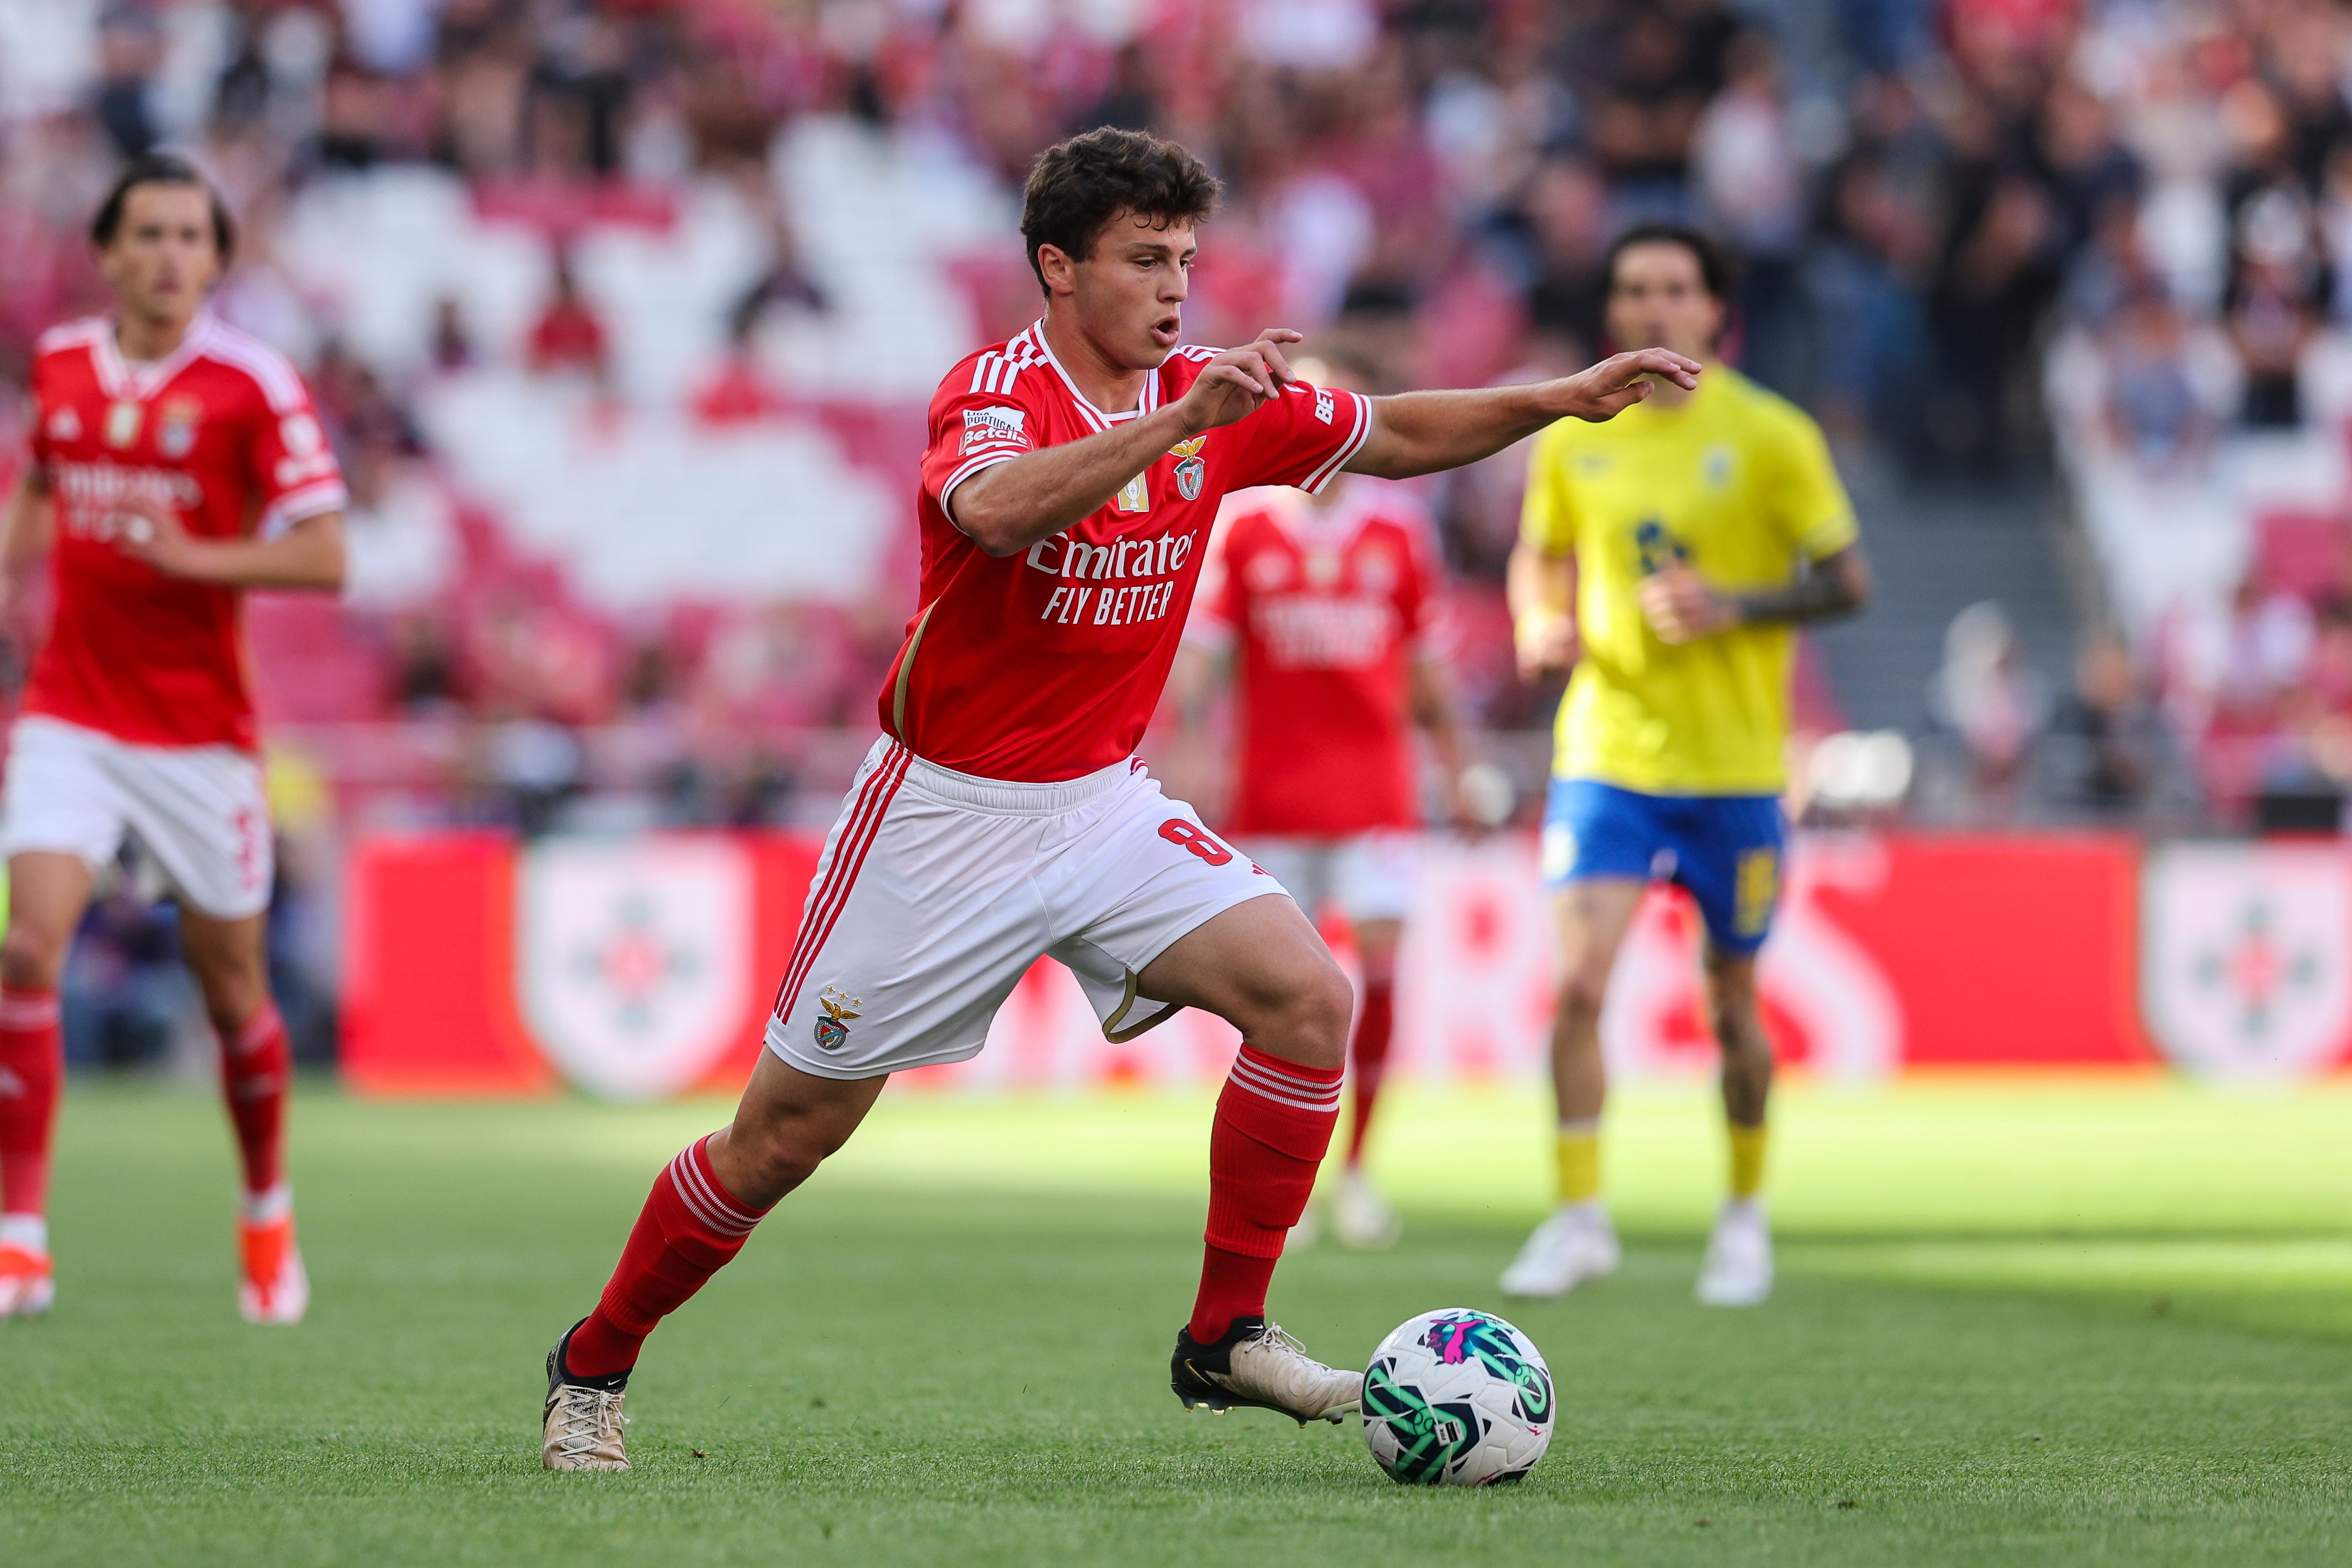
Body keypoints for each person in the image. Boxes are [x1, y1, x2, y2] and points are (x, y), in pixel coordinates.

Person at [537, 127, 1698, 1471]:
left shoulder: (1213, 396)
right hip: (941, 818)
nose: (1172, 289)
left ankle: (1224, 1335)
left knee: (1309, 1000)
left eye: (1185, 261)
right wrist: (1179, 421)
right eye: (1143, 261)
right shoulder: (995, 389)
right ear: (1056, 268)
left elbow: (1393, 434)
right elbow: (995, 515)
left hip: (1094, 804)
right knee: (780, 1139)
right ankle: (593, 1362)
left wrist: (1557, 397)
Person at [0, 153, 349, 1323]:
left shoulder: (254, 384)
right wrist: (16, 571)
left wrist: (193, 556)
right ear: (105, 250)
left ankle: (264, 1211)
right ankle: (21, 1238)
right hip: (71, 712)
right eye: (144, 234)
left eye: (189, 237)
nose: (166, 256)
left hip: (201, 736)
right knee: (28, 946)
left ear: (214, 258)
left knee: (233, 993)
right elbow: (44, 481)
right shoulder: (59, 364)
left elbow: (326, 551)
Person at [1502, 222, 1869, 1308]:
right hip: (1607, 753)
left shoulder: (1770, 434)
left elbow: (1847, 581)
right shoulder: (1575, 435)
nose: (1652, 308)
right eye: (1632, 290)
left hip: (1735, 768)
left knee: (1732, 1002)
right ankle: (1577, 1217)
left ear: (1715, 310)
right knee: (1577, 985)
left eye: (1673, 290)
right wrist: (1536, 617)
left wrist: (1735, 605)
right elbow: (1542, 551)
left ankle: (1744, 1217)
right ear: (1612, 310)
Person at [1175, 353, 1473, 1251]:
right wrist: (1185, 748)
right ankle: (1281, 1183)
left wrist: (1455, 766)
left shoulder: (1401, 531)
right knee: (1275, 1000)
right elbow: (1202, 661)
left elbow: (1425, 669)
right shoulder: (1244, 528)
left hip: (1377, 794)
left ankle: (1357, 1174)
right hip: (1269, 796)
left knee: (1377, 982)